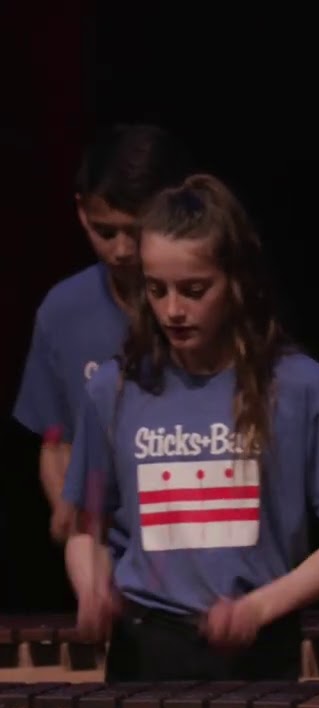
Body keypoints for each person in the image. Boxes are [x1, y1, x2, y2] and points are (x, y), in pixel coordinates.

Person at [61, 174, 319, 681]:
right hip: (145, 648)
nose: (172, 310)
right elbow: (84, 529)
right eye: (156, 290)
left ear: (238, 282)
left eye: (194, 290)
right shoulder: (113, 389)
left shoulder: (303, 389)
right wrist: (90, 586)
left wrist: (258, 608)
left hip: (257, 647)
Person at [14, 123, 193, 544]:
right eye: (105, 231)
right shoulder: (63, 311)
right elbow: (58, 442)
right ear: (81, 212)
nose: (122, 250)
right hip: (117, 570)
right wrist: (73, 523)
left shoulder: (210, 306)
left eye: (136, 230)